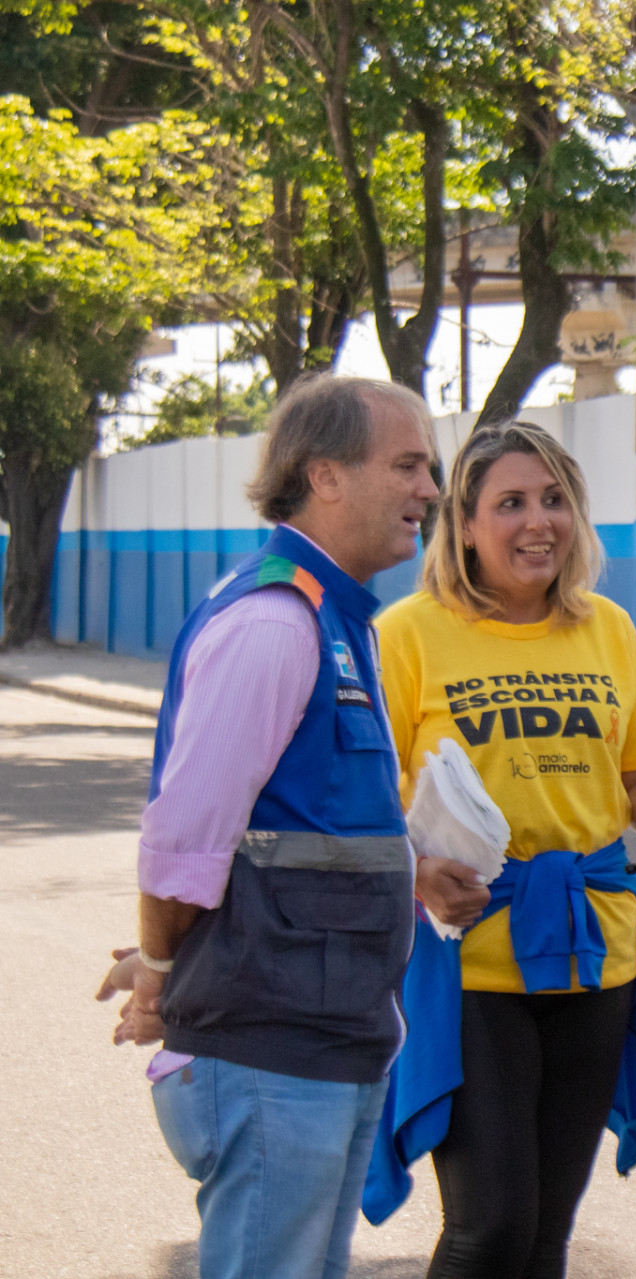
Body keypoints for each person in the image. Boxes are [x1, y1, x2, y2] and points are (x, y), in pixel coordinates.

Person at [98, 375, 456, 1279]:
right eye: (408, 465)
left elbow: (304, 826)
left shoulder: (342, 621)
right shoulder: (275, 620)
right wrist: (165, 970)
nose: (430, 489)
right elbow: (182, 846)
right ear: (325, 475)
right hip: (273, 1045)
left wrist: (413, 873)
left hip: (326, 1036)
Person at [371, 420, 636, 1278]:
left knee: (544, 1238)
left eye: (556, 499)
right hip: (471, 961)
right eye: (511, 503)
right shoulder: (408, 633)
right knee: (489, 1226)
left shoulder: (605, 628)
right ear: (462, 523)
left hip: (594, 957)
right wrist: (414, 872)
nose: (539, 521)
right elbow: (365, 802)